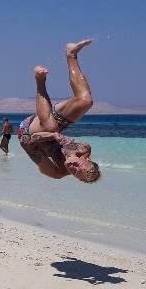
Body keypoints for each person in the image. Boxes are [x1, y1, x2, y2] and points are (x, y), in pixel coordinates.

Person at [17, 40, 101, 183]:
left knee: (51, 127)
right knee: (85, 101)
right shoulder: (83, 148)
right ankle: (71, 54)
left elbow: (26, 143)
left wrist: (51, 135)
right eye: (78, 166)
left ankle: (40, 79)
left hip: (27, 132)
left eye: (74, 173)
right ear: (87, 159)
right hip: (51, 125)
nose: (72, 167)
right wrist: (56, 136)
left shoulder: (56, 171)